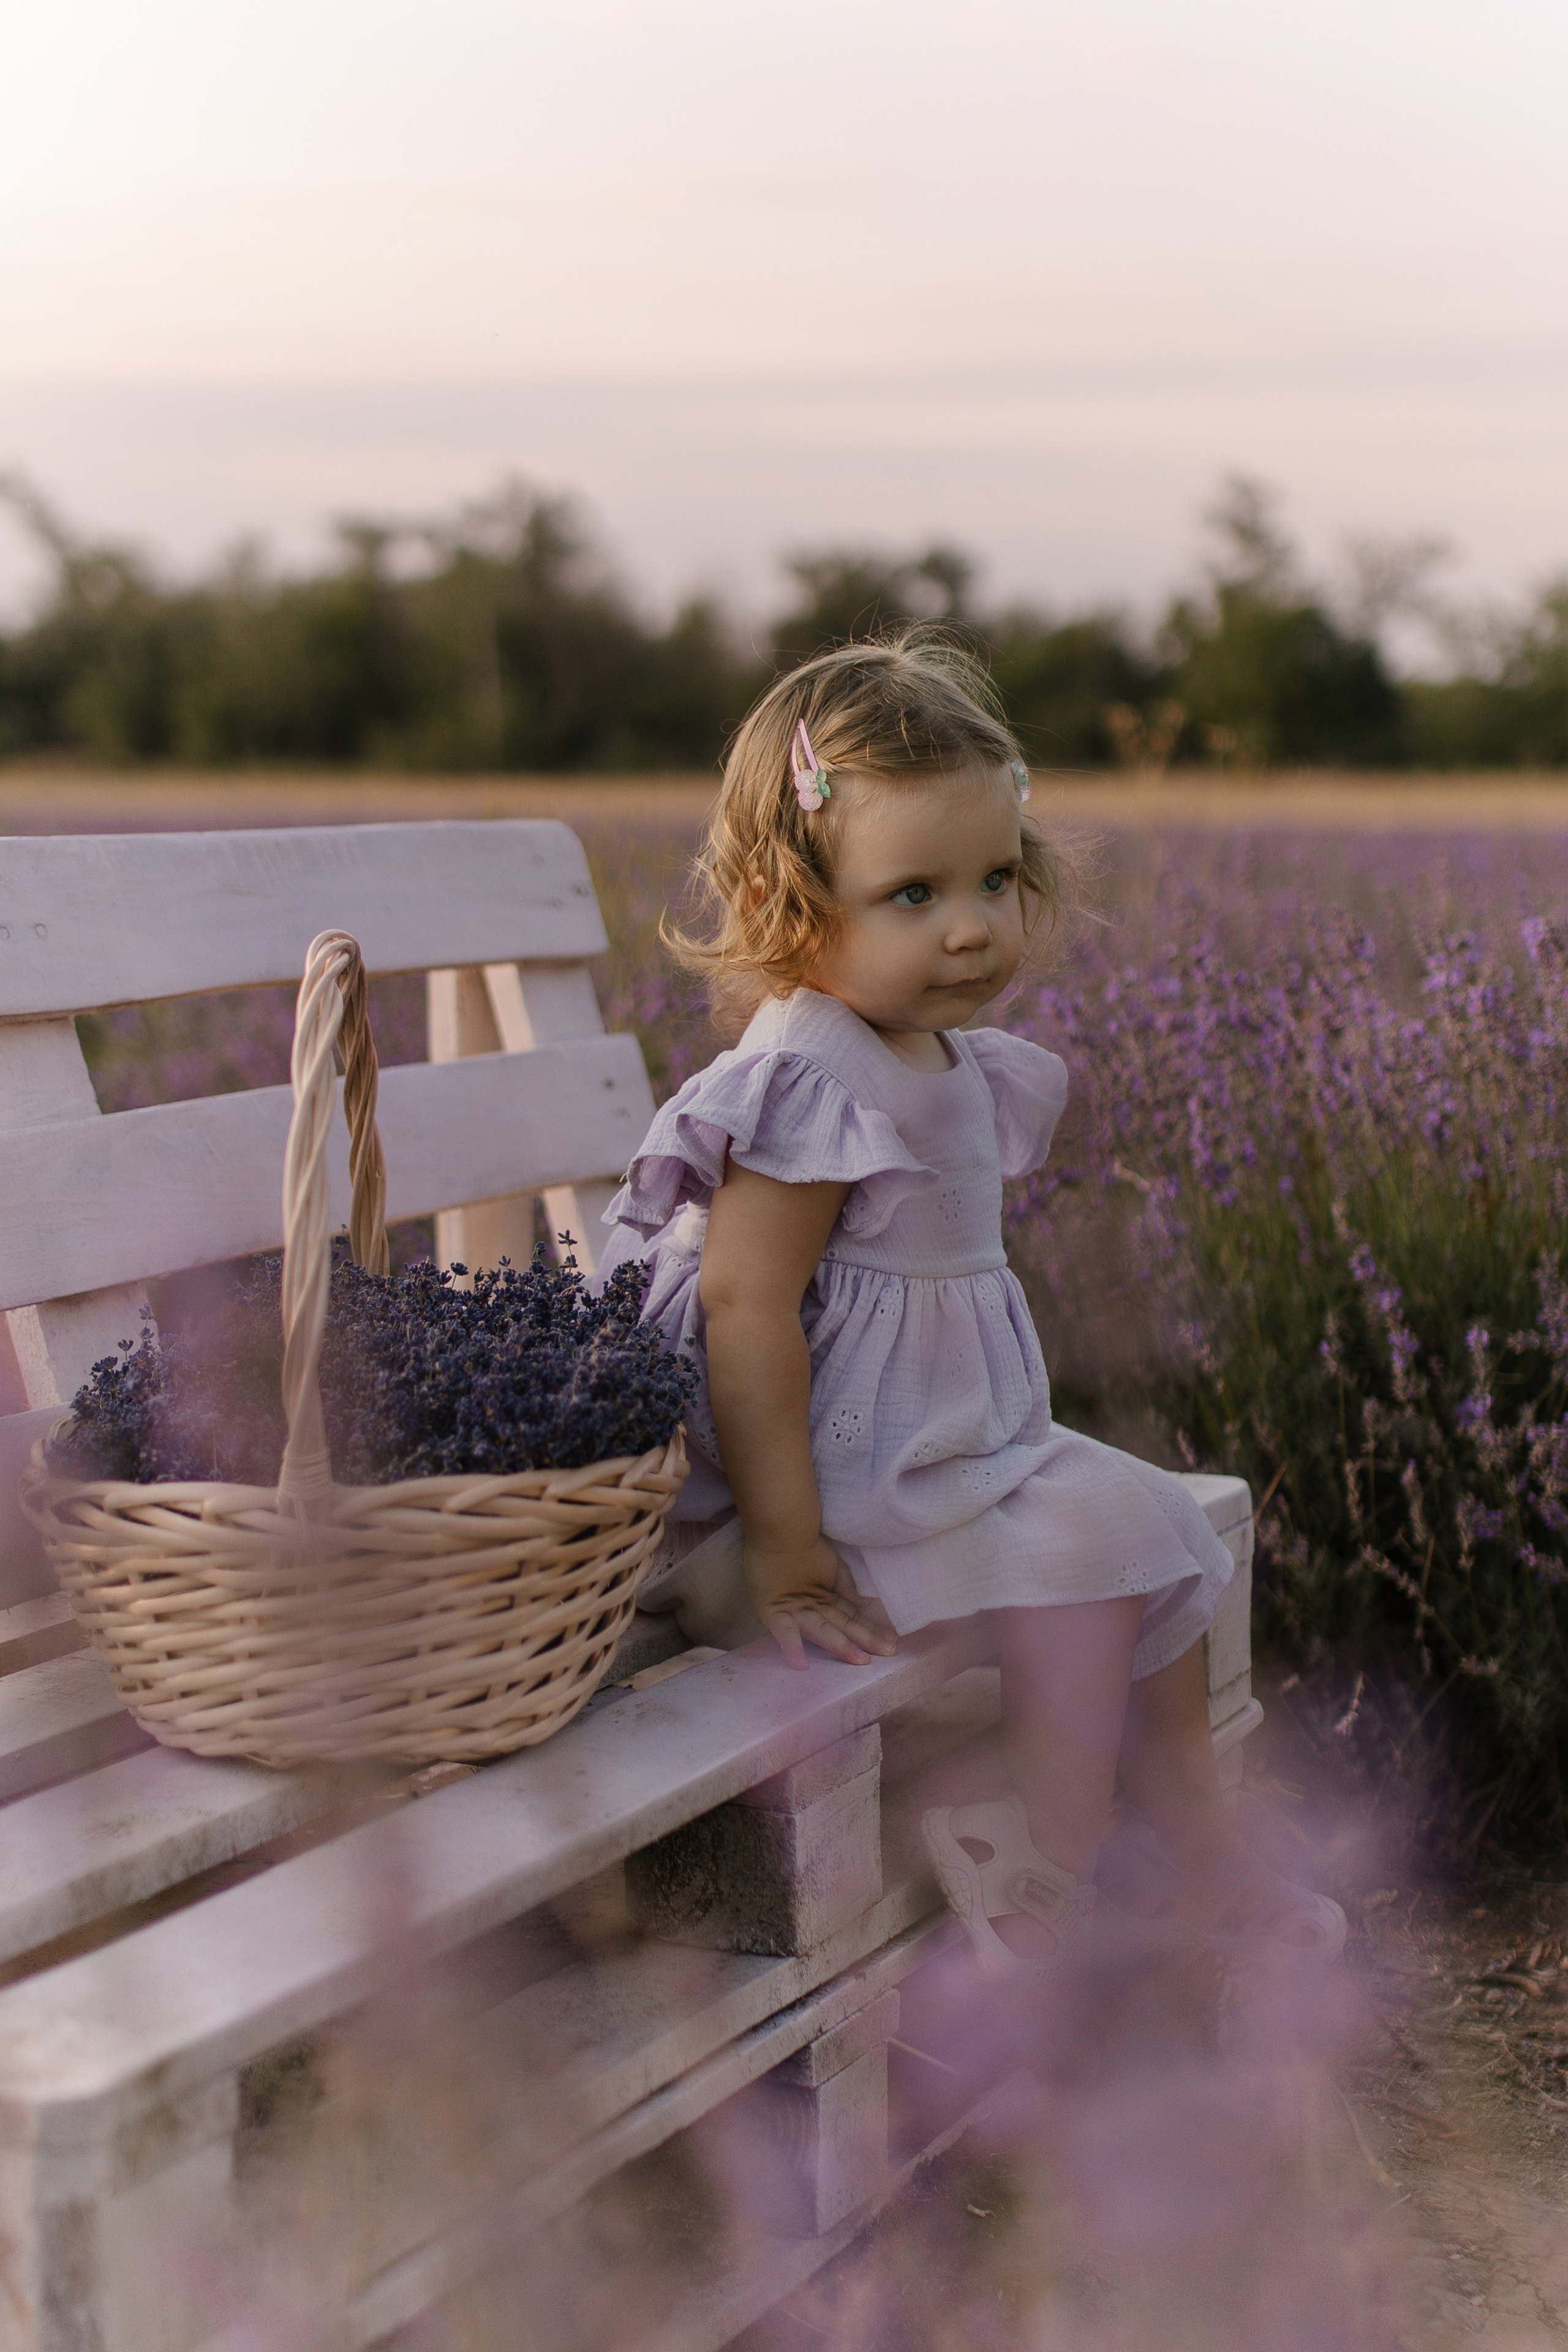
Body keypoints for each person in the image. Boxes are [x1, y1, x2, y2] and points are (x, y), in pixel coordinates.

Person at [598, 635, 1343, 1981]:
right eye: (913, 893)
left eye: (995, 879)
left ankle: (1185, 1845)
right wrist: (783, 1552)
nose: (970, 926)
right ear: (790, 900)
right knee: (1088, 1560)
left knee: (1155, 1525)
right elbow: (743, 1306)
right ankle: (1039, 1892)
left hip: (952, 1447)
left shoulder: (931, 1050)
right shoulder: (808, 1075)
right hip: (850, 1482)